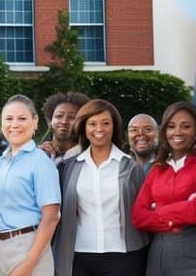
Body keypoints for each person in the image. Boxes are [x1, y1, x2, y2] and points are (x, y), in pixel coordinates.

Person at [52, 100, 147, 276]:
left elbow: (144, 211)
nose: (99, 129)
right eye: (92, 124)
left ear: (114, 127)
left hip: (124, 255)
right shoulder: (68, 167)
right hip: (79, 255)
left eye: (105, 123)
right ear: (83, 128)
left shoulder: (130, 167)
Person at [130, 101, 196, 276]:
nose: (178, 132)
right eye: (171, 126)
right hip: (158, 253)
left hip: (193, 253)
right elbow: (138, 217)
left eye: (186, 126)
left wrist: (157, 209)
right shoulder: (156, 169)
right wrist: (182, 210)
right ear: (164, 131)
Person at [0, 95, 60, 276]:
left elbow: (51, 218)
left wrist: (28, 264)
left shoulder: (41, 162)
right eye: (9, 119)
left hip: (29, 249)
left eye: (22, 118)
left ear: (35, 122)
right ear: (1, 123)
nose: (14, 124)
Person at [41, 92, 89, 164]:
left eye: (72, 117)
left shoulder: (87, 156)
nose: (64, 121)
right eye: (59, 116)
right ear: (50, 121)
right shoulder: (37, 153)